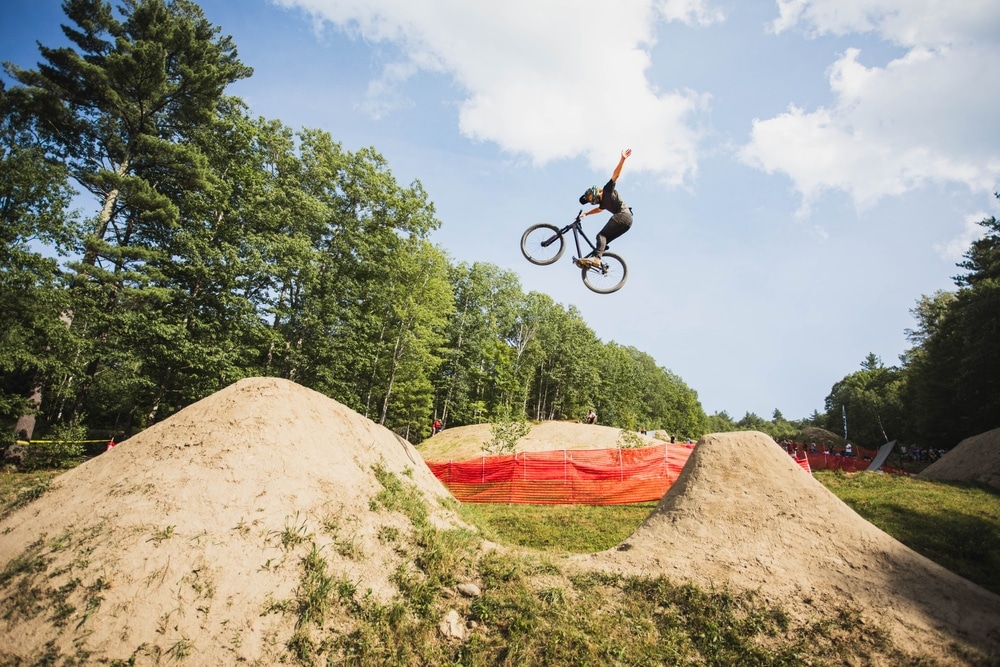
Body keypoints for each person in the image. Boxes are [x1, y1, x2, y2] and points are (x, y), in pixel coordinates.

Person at [577, 148, 633, 268]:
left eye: (590, 197)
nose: (591, 200)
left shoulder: (606, 190)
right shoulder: (602, 203)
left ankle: (597, 258)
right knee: (604, 240)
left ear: (594, 191)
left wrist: (622, 159)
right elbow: (599, 209)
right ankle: (597, 261)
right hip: (627, 222)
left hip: (623, 215)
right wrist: (586, 214)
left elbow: (615, 175)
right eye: (590, 201)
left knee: (600, 236)